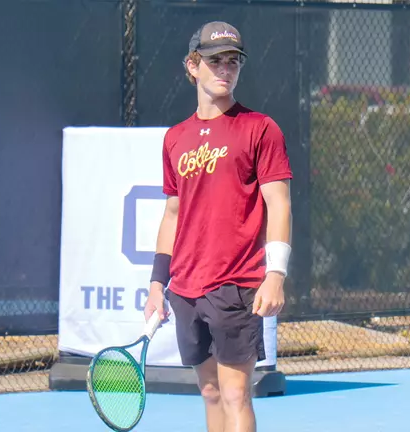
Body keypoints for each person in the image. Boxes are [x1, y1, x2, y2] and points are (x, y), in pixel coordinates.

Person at [143, 21, 293, 432]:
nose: (224, 69)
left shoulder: (261, 129)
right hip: (187, 288)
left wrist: (275, 274)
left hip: (237, 285)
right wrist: (158, 284)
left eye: (232, 61)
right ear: (192, 65)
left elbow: (279, 203)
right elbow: (173, 213)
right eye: (214, 61)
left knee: (234, 394)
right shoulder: (175, 138)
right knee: (210, 393)